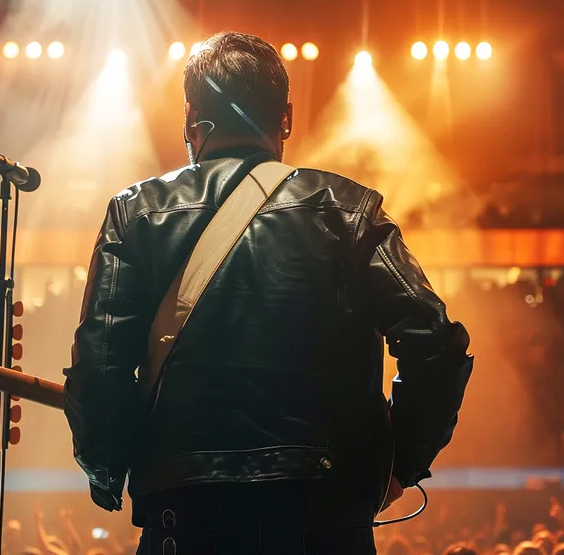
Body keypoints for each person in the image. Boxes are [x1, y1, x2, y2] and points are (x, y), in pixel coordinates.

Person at [62, 31, 473, 554]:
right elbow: (436, 346)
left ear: (190, 118)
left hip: (186, 514)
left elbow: (100, 366)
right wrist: (400, 464)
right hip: (325, 515)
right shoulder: (349, 212)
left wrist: (107, 468)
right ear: (287, 118)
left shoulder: (138, 213)